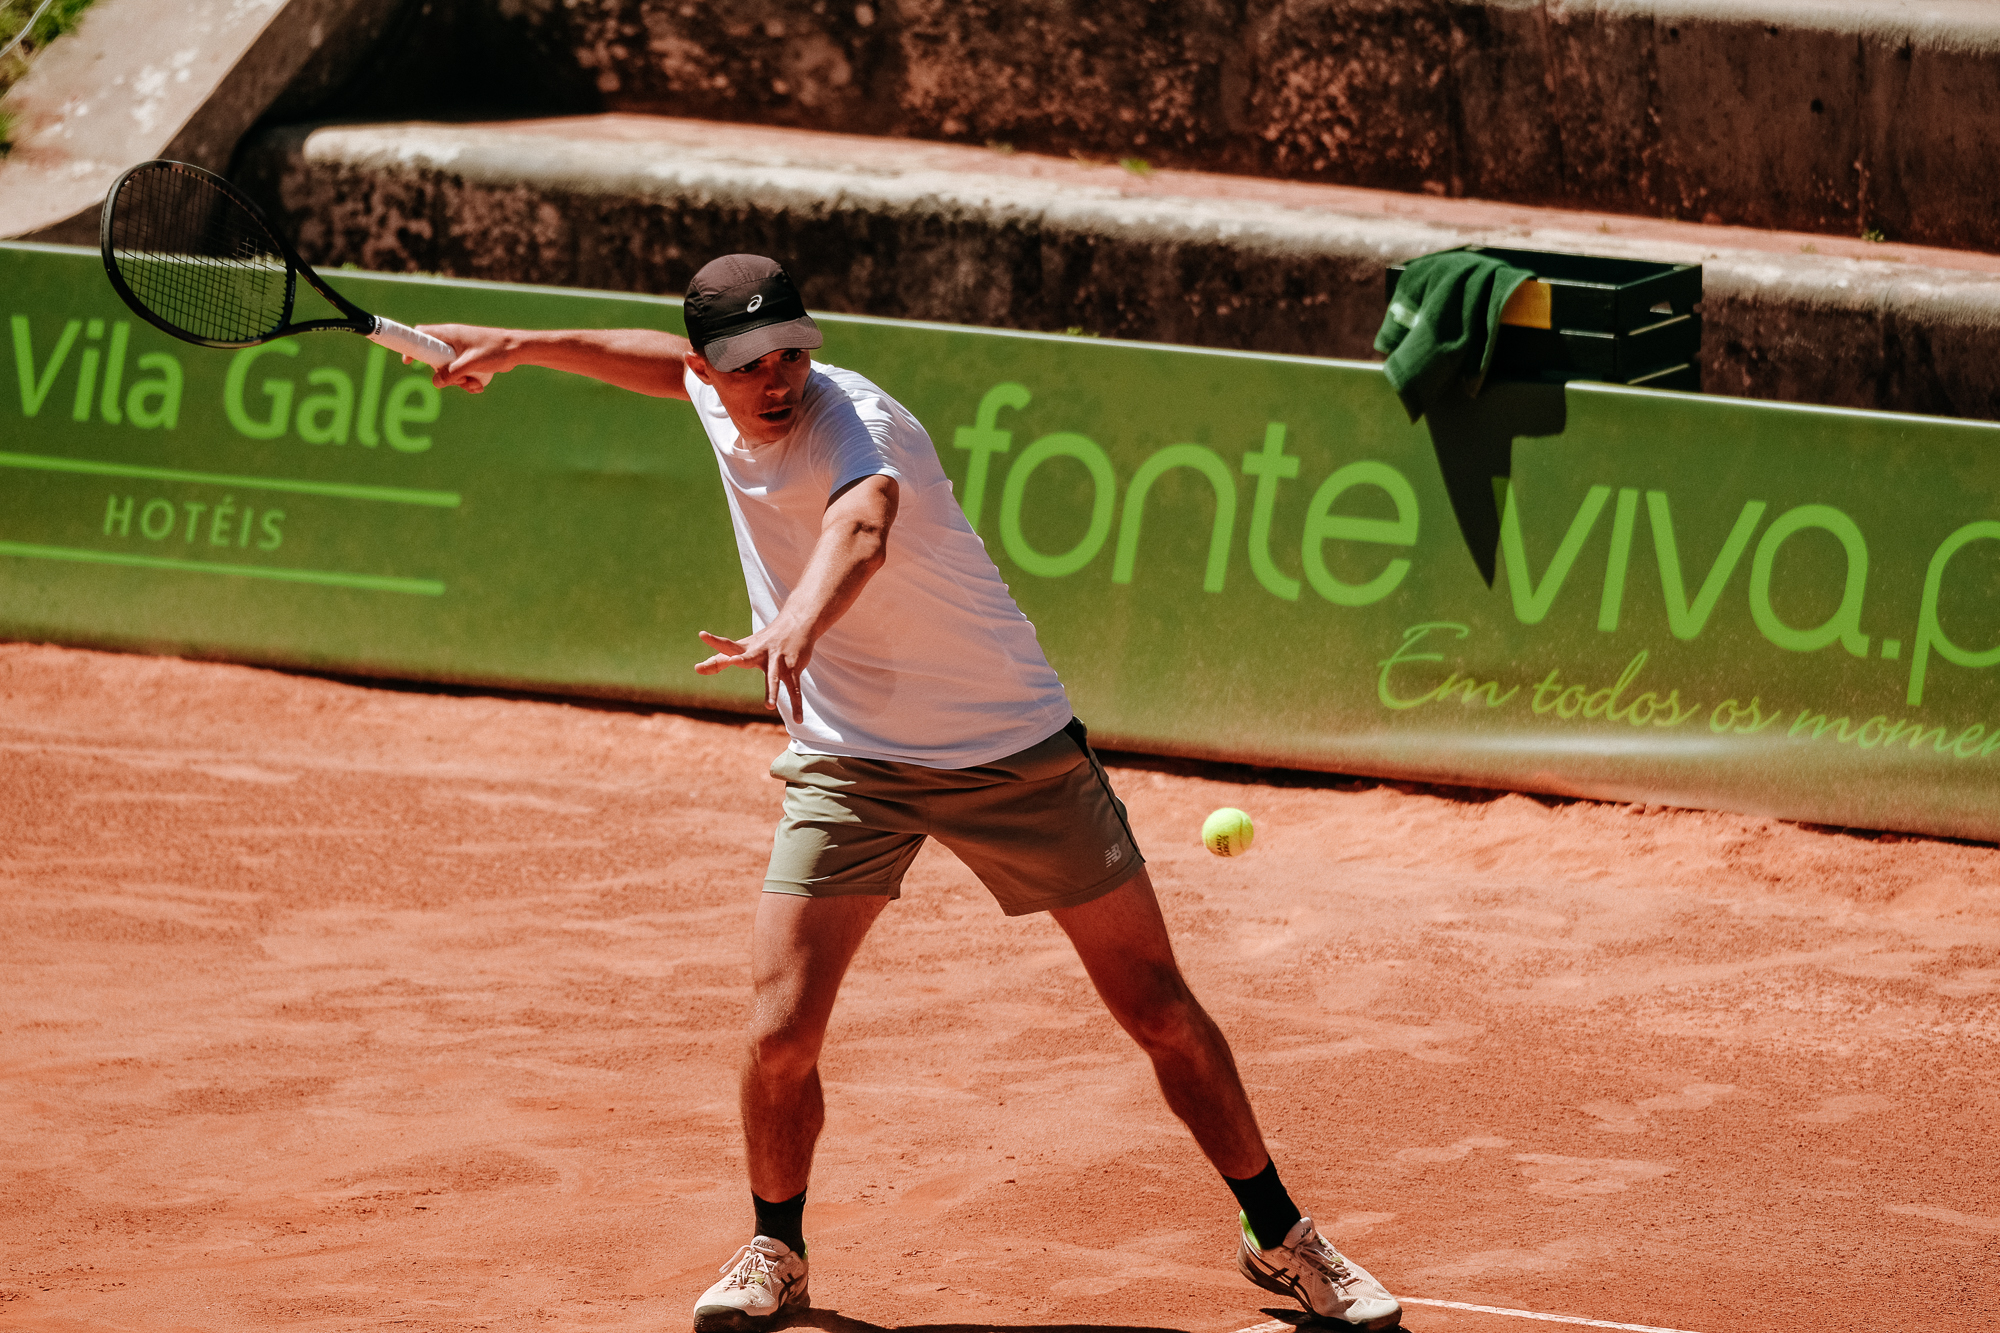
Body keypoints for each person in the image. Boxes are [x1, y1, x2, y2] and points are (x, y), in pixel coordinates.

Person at [421, 254, 1402, 1333]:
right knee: (779, 1032)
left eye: (791, 353)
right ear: (714, 368)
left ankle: (1280, 1234)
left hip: (1008, 745)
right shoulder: (710, 387)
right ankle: (777, 1248)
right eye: (747, 364)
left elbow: (862, 528)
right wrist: (522, 345)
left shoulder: (858, 424)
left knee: (1157, 1007)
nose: (776, 378)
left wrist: (797, 621)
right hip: (851, 765)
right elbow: (658, 362)